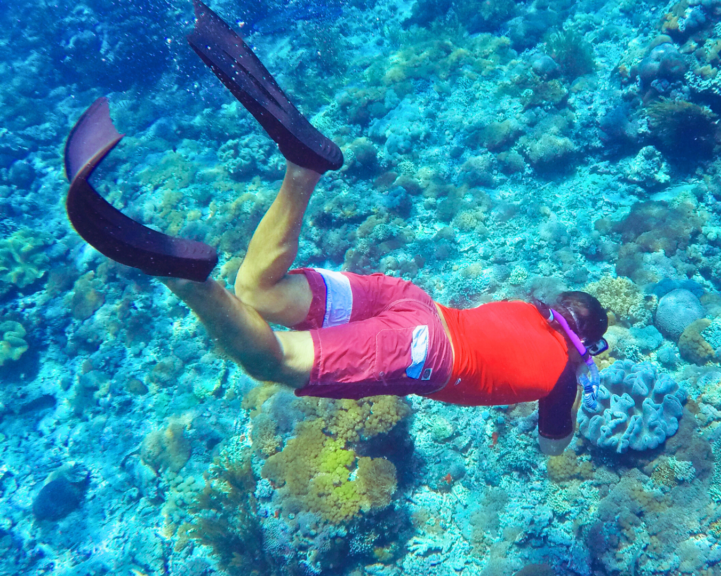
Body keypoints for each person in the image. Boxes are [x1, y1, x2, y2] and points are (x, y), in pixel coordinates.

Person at [63, 0, 609, 456]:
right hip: (424, 350)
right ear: (584, 341)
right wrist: (572, 386)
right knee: (274, 361)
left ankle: (303, 168)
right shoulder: (564, 371)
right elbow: (551, 449)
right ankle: (188, 281)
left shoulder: (526, 312)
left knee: (258, 290)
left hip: (415, 304)